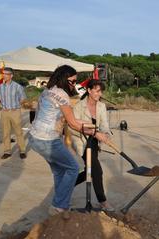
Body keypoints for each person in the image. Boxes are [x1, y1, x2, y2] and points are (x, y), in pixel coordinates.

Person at [28, 65, 109, 215]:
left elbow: (38, 114)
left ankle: (58, 204)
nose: (74, 84)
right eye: (72, 81)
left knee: (59, 171)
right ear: (65, 79)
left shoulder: (47, 91)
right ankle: (59, 206)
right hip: (48, 140)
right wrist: (95, 133)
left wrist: (95, 130)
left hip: (35, 138)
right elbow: (72, 123)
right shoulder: (62, 95)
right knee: (73, 168)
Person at [70, 79, 113, 211]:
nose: (99, 94)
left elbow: (104, 124)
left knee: (90, 170)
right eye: (97, 91)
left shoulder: (101, 106)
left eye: (101, 91)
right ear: (89, 90)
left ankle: (66, 184)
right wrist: (94, 132)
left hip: (94, 142)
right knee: (97, 170)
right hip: (82, 141)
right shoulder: (78, 106)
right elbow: (73, 127)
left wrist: (105, 134)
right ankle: (103, 201)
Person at [0, 67, 27, 159]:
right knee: (6, 133)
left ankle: (22, 150)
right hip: (4, 113)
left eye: (6, 74)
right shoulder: (0, 87)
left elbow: (23, 99)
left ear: (11, 75)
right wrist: (2, 106)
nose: (4, 76)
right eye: (3, 74)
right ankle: (7, 151)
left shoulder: (18, 86)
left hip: (15, 112)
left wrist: (15, 106)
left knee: (19, 132)